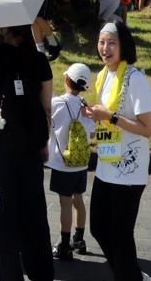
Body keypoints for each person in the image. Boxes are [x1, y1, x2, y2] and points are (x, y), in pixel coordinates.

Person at [0, 23, 54, 281]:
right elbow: (46, 109)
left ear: (5, 28)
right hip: (30, 147)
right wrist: (43, 143)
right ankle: (41, 271)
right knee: (34, 210)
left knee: (1, 212)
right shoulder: (39, 60)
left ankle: (9, 274)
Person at [84, 20, 151, 281]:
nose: (105, 48)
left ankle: (129, 276)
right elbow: (108, 116)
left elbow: (147, 128)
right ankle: (131, 274)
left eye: (112, 43)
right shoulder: (104, 76)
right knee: (98, 229)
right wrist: (96, 115)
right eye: (102, 42)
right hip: (106, 164)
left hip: (129, 171)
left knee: (121, 235)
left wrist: (110, 117)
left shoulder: (135, 79)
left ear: (124, 45)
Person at [48, 62, 96, 261]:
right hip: (81, 163)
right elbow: (92, 130)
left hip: (63, 162)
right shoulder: (86, 107)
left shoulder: (56, 103)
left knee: (65, 204)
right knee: (79, 200)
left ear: (66, 80)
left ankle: (64, 245)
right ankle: (79, 240)